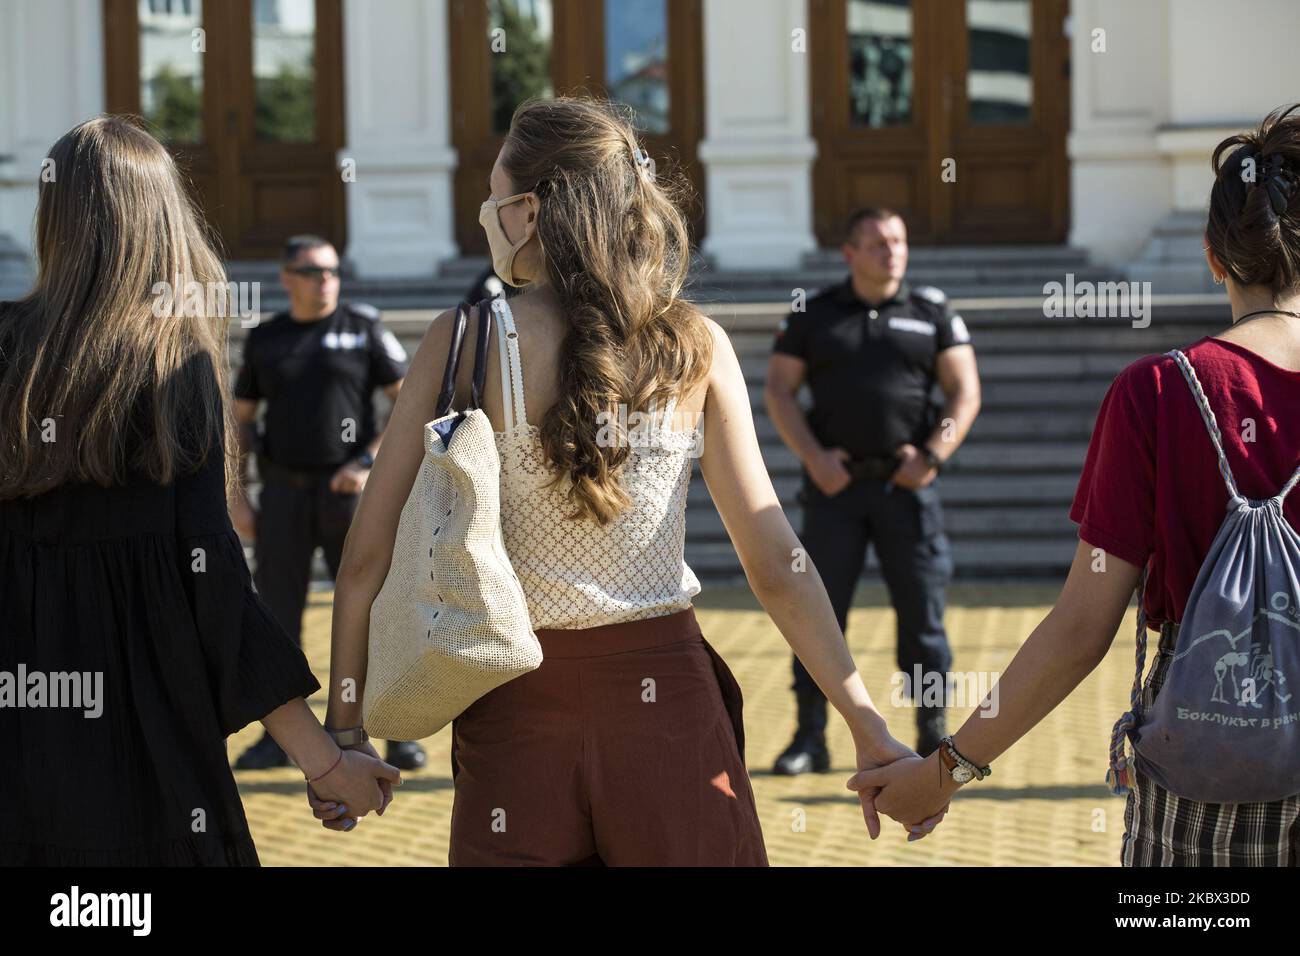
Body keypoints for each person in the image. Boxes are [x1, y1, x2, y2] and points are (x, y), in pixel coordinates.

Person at [306, 95, 945, 863]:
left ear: (531, 209)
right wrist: (868, 727)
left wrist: (343, 733)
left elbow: (363, 561)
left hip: (512, 706)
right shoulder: (694, 344)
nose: (487, 210)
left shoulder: (464, 340)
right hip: (666, 704)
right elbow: (779, 563)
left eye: (495, 194)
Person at [851, 104, 1300, 865]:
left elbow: (1079, 629)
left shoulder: (1159, 393)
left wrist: (946, 771)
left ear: (1213, 256)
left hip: (1208, 753)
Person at [0, 116, 400, 865]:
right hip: (144, 748)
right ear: (164, 225)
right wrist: (326, 761)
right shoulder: (173, 373)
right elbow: (215, 588)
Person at [765, 208, 981, 773]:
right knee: (818, 617)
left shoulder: (931, 311)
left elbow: (965, 394)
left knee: (924, 620)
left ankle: (933, 736)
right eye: (879, 243)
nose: (893, 252)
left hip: (906, 491)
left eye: (899, 242)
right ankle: (809, 736)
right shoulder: (815, 313)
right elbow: (779, 392)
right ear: (850, 253)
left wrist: (933, 455)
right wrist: (813, 458)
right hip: (835, 492)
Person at [229, 236, 427, 771]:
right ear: (286, 276)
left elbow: (410, 404)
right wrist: (237, 495)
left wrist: (366, 464)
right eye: (313, 272)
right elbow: (241, 419)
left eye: (333, 271)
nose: (326, 281)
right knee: (275, 619)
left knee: (374, 614)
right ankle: (280, 737)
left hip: (350, 500)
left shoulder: (362, 328)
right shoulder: (266, 339)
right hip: (283, 498)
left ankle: (394, 731)